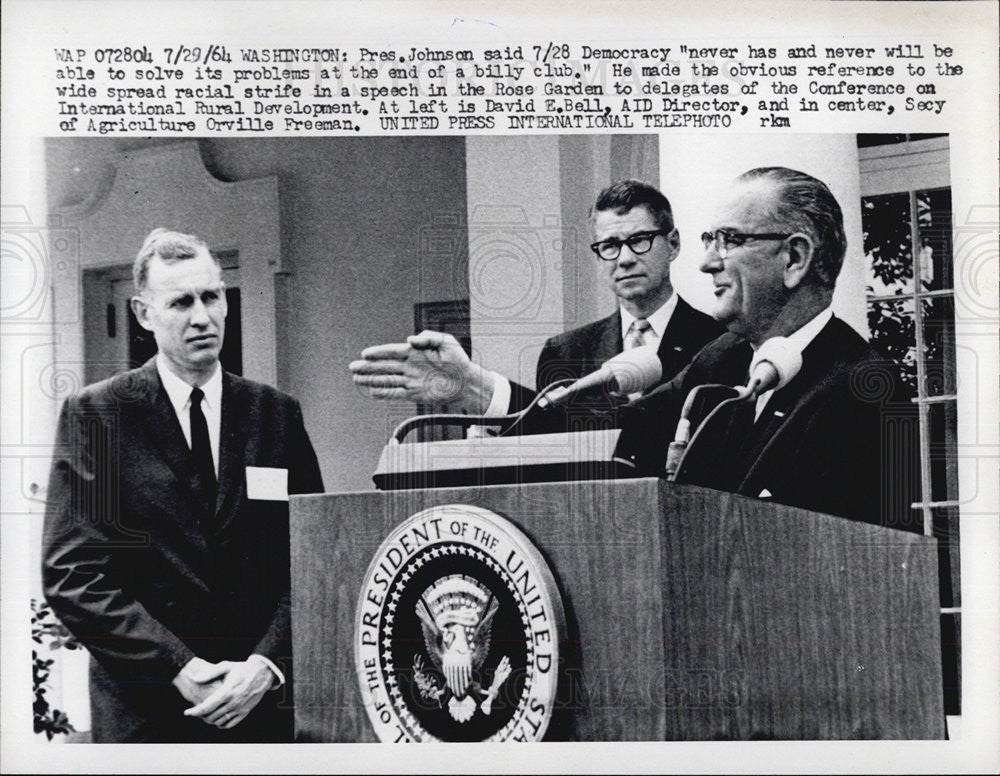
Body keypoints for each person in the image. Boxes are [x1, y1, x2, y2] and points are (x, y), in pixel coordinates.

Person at [42, 229, 324, 742]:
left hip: (259, 713)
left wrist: (266, 665)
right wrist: (177, 665)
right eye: (180, 302)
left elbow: (310, 559)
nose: (201, 317)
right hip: (147, 716)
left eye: (211, 297)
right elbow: (73, 574)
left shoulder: (275, 414)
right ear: (143, 314)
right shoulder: (100, 417)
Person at [614, 167, 919, 530]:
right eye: (709, 239)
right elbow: (628, 432)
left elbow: (866, 561)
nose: (707, 262)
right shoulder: (720, 358)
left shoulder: (868, 388)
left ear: (794, 259)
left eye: (729, 240)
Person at [350, 180, 723, 434]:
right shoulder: (566, 351)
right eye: (609, 246)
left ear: (672, 244)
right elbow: (545, 435)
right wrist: (473, 388)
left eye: (639, 240)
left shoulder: (720, 343)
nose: (624, 258)